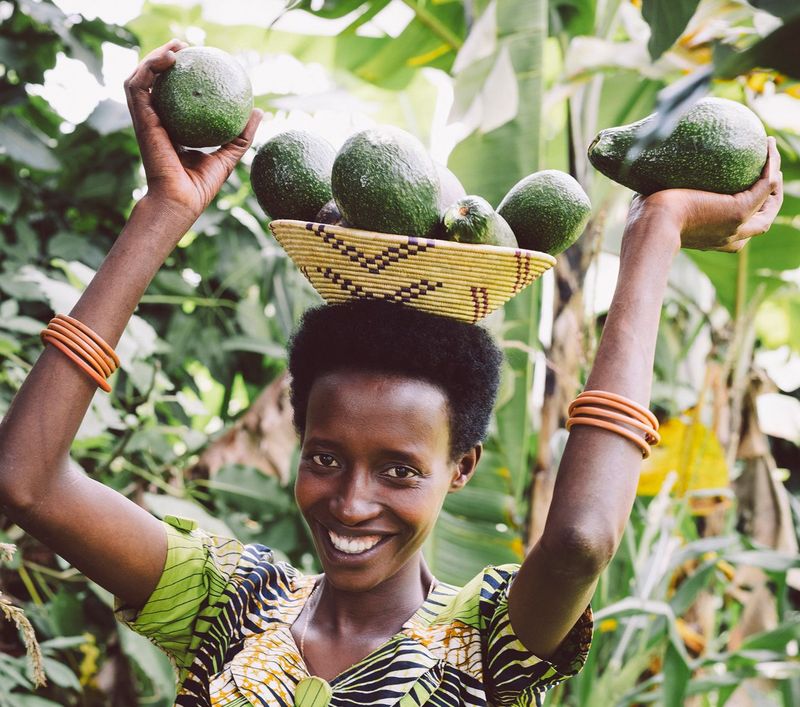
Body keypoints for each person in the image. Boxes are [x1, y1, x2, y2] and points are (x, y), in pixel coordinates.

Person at [0, 40, 784, 707]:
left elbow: (580, 540)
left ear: (460, 466)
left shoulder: (486, 640)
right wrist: (166, 205)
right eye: (326, 456)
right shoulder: (228, 602)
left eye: (400, 468)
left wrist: (655, 231)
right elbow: (27, 480)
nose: (351, 501)